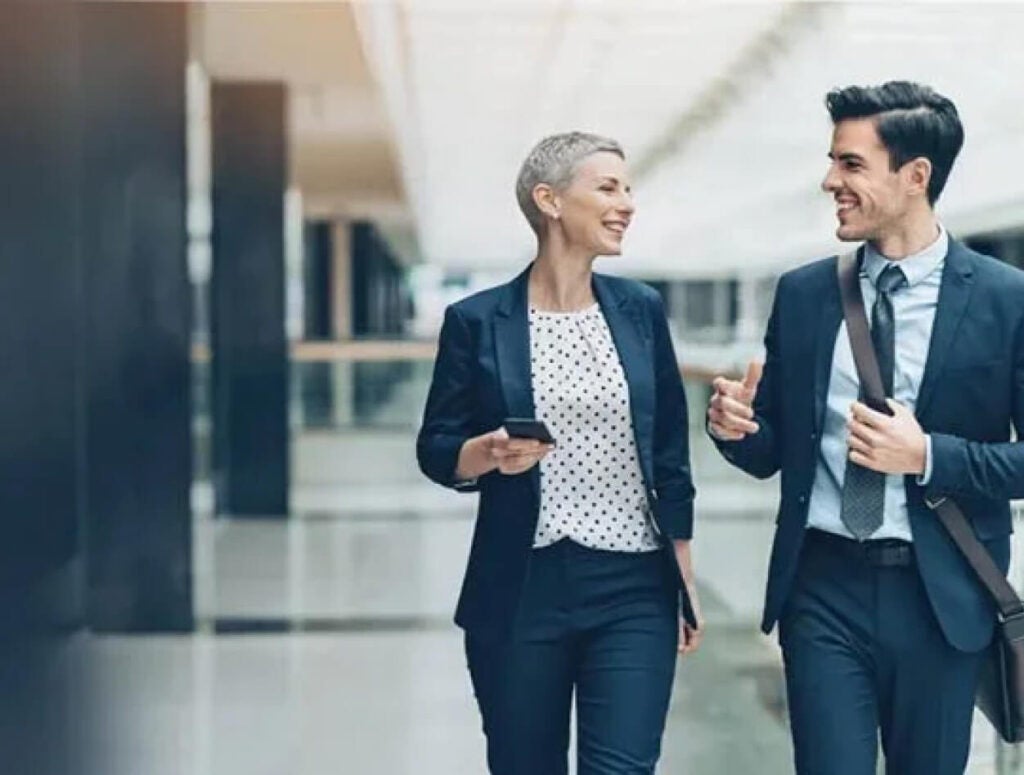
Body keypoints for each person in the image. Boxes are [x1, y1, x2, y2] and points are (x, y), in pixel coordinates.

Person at [707, 80, 1024, 774]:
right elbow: (771, 449)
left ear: (916, 177)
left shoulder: (1007, 300)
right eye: (832, 161)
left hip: (940, 596)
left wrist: (930, 456)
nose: (830, 181)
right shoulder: (806, 293)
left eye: (851, 164)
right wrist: (734, 429)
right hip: (822, 587)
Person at [417, 131, 702, 774]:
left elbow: (668, 450)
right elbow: (436, 447)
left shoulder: (640, 310)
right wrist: (484, 453)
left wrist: (681, 574)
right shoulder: (477, 320)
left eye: (628, 188)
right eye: (608, 187)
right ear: (549, 200)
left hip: (634, 583)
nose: (626, 202)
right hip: (521, 585)